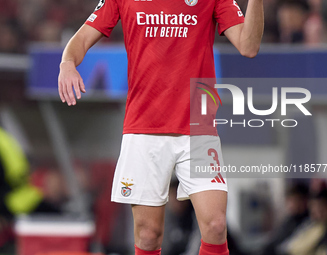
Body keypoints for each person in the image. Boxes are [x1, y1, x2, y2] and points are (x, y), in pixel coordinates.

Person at [58, 0, 264, 254]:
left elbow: (249, 46)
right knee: (148, 236)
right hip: (144, 128)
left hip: (198, 126)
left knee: (216, 225)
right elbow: (81, 38)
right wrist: (67, 63)